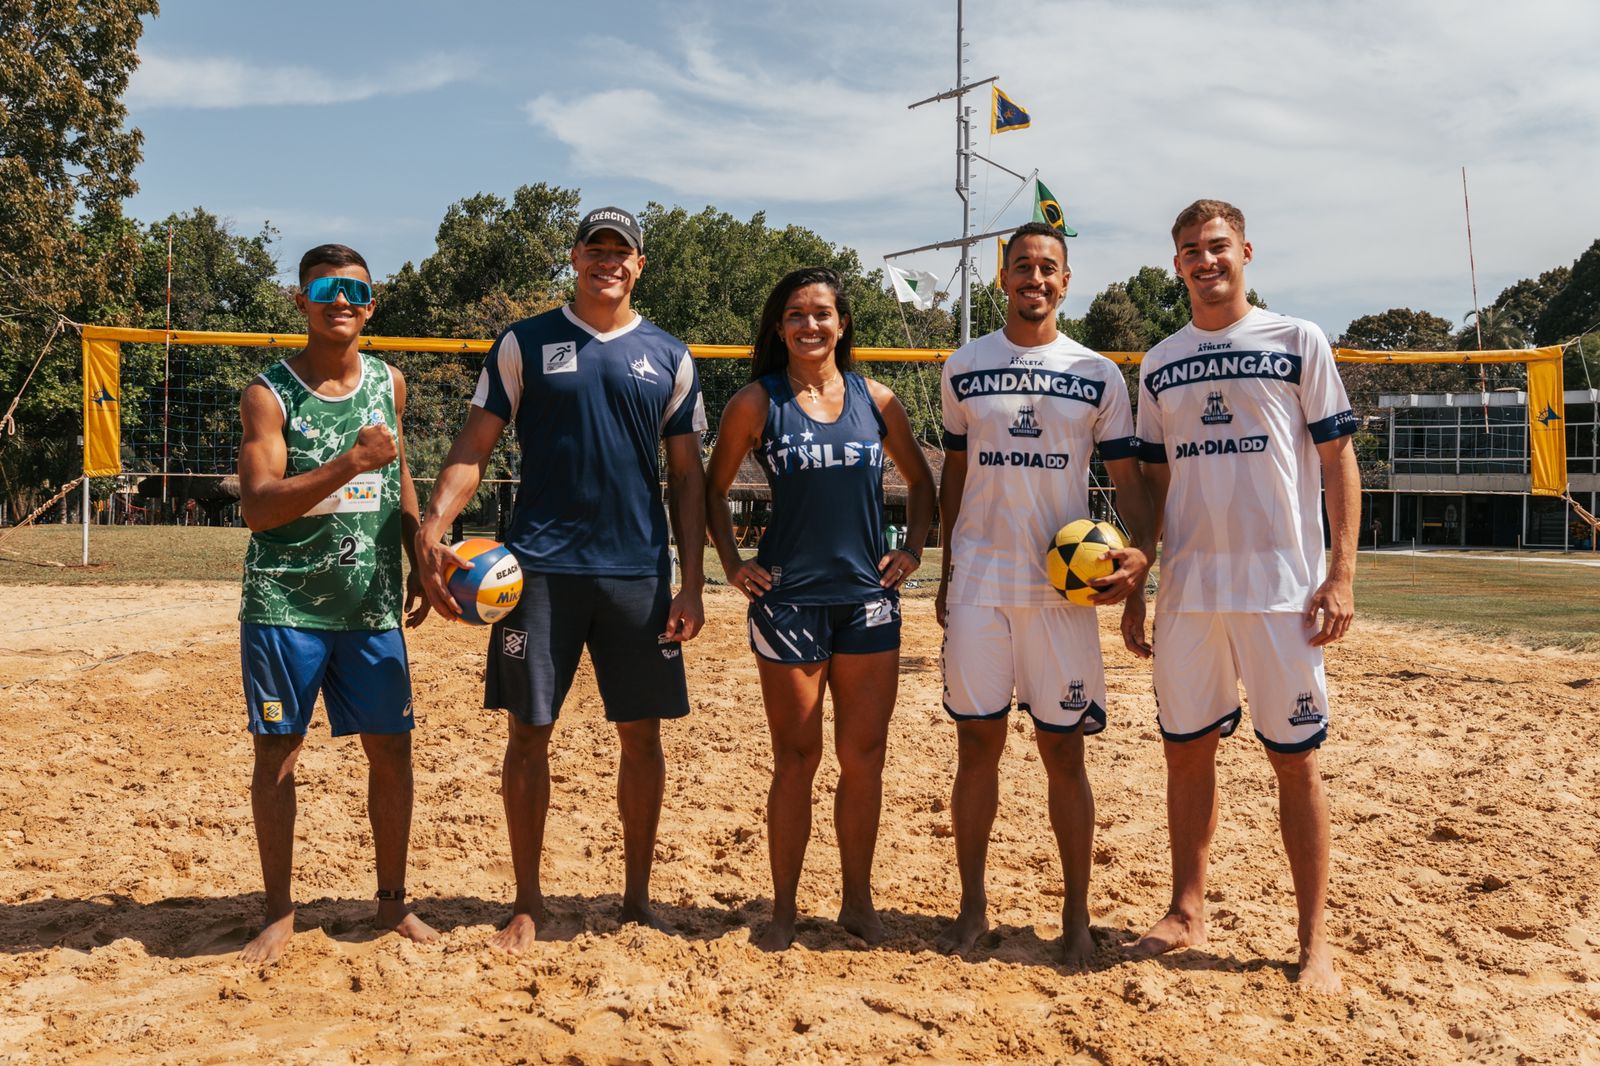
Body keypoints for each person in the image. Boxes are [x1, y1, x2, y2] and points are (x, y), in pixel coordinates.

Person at [414, 206, 707, 952]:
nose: (608, 260)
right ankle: (527, 901)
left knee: (641, 737)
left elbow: (686, 478)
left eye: (622, 251)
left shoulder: (670, 355)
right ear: (574, 258)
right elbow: (475, 443)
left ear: (640, 265)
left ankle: (637, 898)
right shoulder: (526, 341)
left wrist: (694, 579)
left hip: (637, 571)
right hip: (537, 573)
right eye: (595, 248)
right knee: (528, 733)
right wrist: (435, 522)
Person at [1122, 199, 1360, 993]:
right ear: (1178, 263)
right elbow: (1153, 487)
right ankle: (1187, 910)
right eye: (1189, 249)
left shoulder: (1298, 340)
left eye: (1216, 245)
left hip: (1282, 591)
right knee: (1185, 753)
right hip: (1191, 591)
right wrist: (1137, 581)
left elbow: (1338, 464)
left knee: (1294, 761)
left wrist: (1342, 575)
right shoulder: (1158, 362)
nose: (1204, 259)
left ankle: (1312, 939)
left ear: (1246, 251)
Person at [934, 222, 1154, 965]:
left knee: (1064, 753)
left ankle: (1077, 915)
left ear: (1067, 281)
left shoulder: (1098, 374)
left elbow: (1126, 482)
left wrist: (1139, 567)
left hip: (1066, 590)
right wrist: (948, 569)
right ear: (1003, 278)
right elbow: (954, 475)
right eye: (1022, 266)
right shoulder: (963, 366)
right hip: (982, 582)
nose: (1035, 278)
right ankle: (970, 907)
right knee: (977, 746)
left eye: (1048, 268)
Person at [705, 267, 934, 951]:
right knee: (796, 758)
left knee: (864, 756)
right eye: (796, 315)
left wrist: (914, 550)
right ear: (780, 328)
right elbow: (710, 490)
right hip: (789, 602)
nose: (811, 326)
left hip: (867, 601)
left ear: (843, 325)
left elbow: (921, 482)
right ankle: (781, 909)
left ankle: (857, 902)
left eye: (823, 314)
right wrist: (731, 563)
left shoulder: (877, 399)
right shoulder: (756, 402)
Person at [235, 244, 436, 965]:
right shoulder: (269, 393)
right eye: (326, 288)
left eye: (356, 289)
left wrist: (418, 552)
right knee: (279, 758)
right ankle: (280, 911)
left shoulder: (390, 383)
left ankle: (391, 904)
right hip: (285, 606)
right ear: (301, 301)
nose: (341, 300)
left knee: (393, 754)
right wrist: (349, 462)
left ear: (371, 304)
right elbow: (260, 509)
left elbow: (401, 473)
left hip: (369, 606)